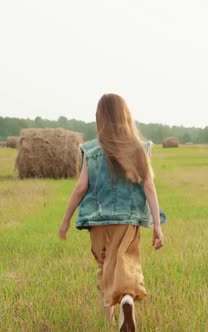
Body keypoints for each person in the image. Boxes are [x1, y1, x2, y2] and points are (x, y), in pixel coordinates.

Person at [58, 93, 165, 332]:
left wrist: (65, 220)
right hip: (127, 221)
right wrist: (157, 224)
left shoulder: (91, 150)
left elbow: (80, 188)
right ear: (126, 116)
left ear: (100, 119)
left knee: (105, 264)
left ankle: (109, 318)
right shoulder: (139, 148)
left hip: (97, 222)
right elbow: (149, 186)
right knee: (125, 261)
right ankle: (127, 299)